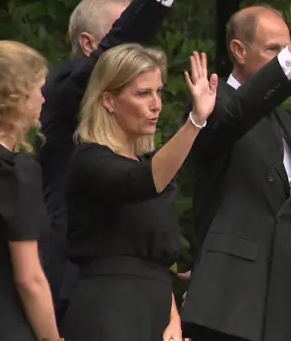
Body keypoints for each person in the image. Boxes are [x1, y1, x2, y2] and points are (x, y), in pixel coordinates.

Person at [181, 0, 291, 341]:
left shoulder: (282, 121)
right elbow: (237, 113)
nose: (281, 58)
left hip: (276, 296)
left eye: (284, 47)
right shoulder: (215, 106)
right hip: (228, 299)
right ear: (238, 51)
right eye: (272, 50)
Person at [36, 0, 182, 322]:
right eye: (128, 40)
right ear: (90, 45)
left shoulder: (136, 135)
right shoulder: (66, 92)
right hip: (77, 283)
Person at [59, 44, 215, 341]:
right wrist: (195, 122)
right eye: (143, 93)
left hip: (154, 313)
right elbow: (142, 181)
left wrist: (172, 319)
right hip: (110, 311)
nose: (156, 104)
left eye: (159, 92)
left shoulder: (143, 165)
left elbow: (154, 262)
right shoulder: (90, 161)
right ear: (108, 100)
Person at [0, 40, 61, 341]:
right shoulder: (14, 171)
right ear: (17, 95)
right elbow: (29, 278)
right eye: (39, 88)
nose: (43, 99)